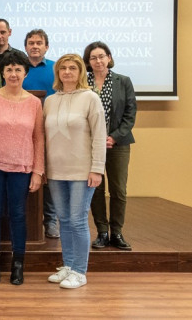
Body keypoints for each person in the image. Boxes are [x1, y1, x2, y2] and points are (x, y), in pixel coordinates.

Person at [0, 51, 44, 285]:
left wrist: (38, 171)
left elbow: (38, 138)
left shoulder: (34, 103)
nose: (13, 74)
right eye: (9, 69)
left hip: (22, 166)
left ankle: (18, 265)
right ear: (2, 73)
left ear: (25, 73)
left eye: (18, 69)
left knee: (18, 214)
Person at [43, 54, 106, 290]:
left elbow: (99, 136)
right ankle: (68, 265)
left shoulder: (90, 98)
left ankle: (80, 271)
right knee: (64, 220)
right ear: (57, 73)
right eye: (63, 68)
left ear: (80, 72)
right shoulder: (50, 101)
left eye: (72, 68)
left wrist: (97, 169)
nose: (67, 72)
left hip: (82, 171)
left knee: (78, 220)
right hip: (55, 171)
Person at [84, 42, 137, 251]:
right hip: (90, 145)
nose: (98, 61)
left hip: (118, 144)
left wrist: (113, 137)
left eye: (101, 56)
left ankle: (117, 232)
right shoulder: (83, 82)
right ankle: (102, 232)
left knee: (118, 190)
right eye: (93, 58)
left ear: (109, 58)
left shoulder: (123, 81)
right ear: (88, 61)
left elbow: (130, 114)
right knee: (95, 189)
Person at [22, 28, 59, 239]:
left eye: (39, 43)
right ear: (25, 46)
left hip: (50, 131)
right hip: (22, 132)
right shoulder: (18, 68)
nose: (35, 46)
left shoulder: (56, 69)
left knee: (48, 177)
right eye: (31, 43)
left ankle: (50, 220)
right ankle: (28, 220)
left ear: (46, 47)